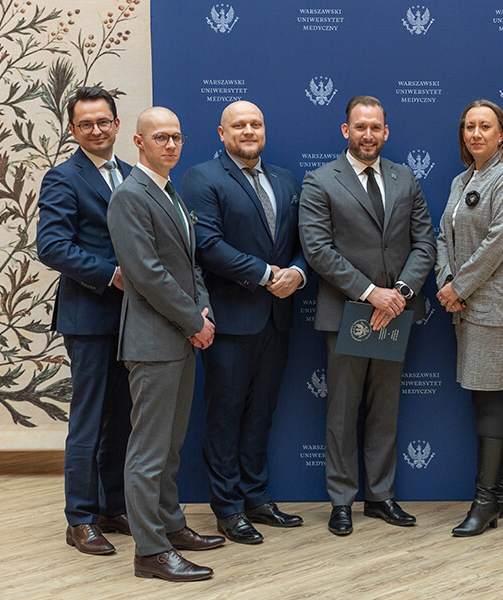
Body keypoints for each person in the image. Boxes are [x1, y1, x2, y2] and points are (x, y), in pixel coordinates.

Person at [299, 95, 436, 536]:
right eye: (360, 127)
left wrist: (398, 293)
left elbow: (425, 244)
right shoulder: (320, 181)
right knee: (342, 410)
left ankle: (380, 496)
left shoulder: (405, 177)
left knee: (385, 408)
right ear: (346, 131)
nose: (368, 135)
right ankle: (342, 501)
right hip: (347, 314)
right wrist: (370, 293)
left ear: (386, 132)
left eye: (376, 127)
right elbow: (318, 249)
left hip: (395, 311)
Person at [107, 107, 224, 581]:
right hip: (154, 340)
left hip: (180, 335)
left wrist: (205, 310)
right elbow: (147, 275)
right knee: (148, 452)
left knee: (170, 446)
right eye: (160, 137)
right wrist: (191, 319)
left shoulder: (170, 192)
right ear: (138, 143)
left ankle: (171, 525)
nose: (171, 145)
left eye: (176, 136)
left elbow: (189, 265)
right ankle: (150, 552)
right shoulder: (130, 196)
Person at [181, 101, 305, 545]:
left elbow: (302, 242)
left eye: (256, 123)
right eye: (239, 125)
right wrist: (267, 274)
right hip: (231, 321)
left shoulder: (286, 180)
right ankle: (228, 508)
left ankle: (256, 498)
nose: (249, 130)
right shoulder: (202, 178)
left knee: (260, 414)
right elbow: (207, 244)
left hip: (277, 318)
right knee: (224, 415)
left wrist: (298, 272)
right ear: (221, 132)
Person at [37, 86, 133, 555]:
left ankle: (112, 507)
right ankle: (79, 518)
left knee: (124, 420)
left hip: (135, 319)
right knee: (90, 420)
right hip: (90, 316)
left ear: (117, 124)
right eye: (86, 124)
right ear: (73, 130)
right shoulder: (63, 178)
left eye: (104, 121)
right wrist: (111, 274)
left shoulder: (135, 175)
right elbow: (52, 245)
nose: (96, 130)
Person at [434, 100, 503, 536]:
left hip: (495, 306)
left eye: (484, 126)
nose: (475, 133)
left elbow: (498, 242)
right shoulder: (461, 179)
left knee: (488, 398)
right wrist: (447, 278)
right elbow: (441, 235)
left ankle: (486, 501)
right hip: (466, 304)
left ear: (501, 134)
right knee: (487, 396)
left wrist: (460, 287)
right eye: (469, 126)